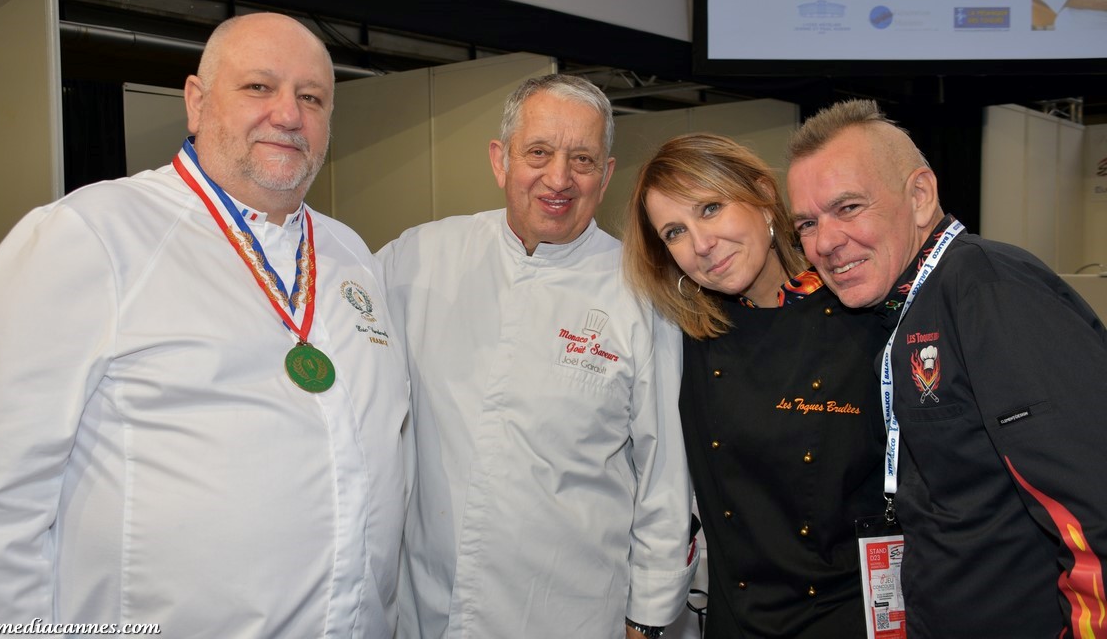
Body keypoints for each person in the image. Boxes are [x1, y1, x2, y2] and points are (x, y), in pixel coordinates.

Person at [0, 13, 410, 638]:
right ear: (196, 102)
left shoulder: (350, 254)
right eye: (258, 87)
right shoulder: (90, 236)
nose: (288, 114)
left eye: (311, 98)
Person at [378, 73, 696, 639]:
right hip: (424, 604)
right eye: (539, 152)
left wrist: (647, 618)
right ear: (500, 160)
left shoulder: (643, 293)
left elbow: (665, 476)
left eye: (582, 159)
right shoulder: (417, 259)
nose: (559, 178)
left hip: (570, 611)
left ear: (606, 175)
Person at [785, 99, 1107, 638]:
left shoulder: (990, 287)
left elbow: (1092, 508)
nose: (825, 242)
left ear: (920, 196)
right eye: (807, 223)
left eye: (848, 207)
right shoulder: (903, 302)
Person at [620, 133, 886, 638]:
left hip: (851, 619)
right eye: (675, 232)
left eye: (711, 208)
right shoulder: (680, 339)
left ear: (763, 195)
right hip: (735, 622)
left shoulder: (867, 318)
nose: (701, 245)